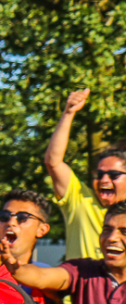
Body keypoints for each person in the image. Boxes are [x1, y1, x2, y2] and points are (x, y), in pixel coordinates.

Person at [43, 89, 126, 261]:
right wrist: (68, 112)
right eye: (100, 174)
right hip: (82, 288)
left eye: (113, 174)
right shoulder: (80, 200)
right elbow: (53, 162)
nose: (104, 180)